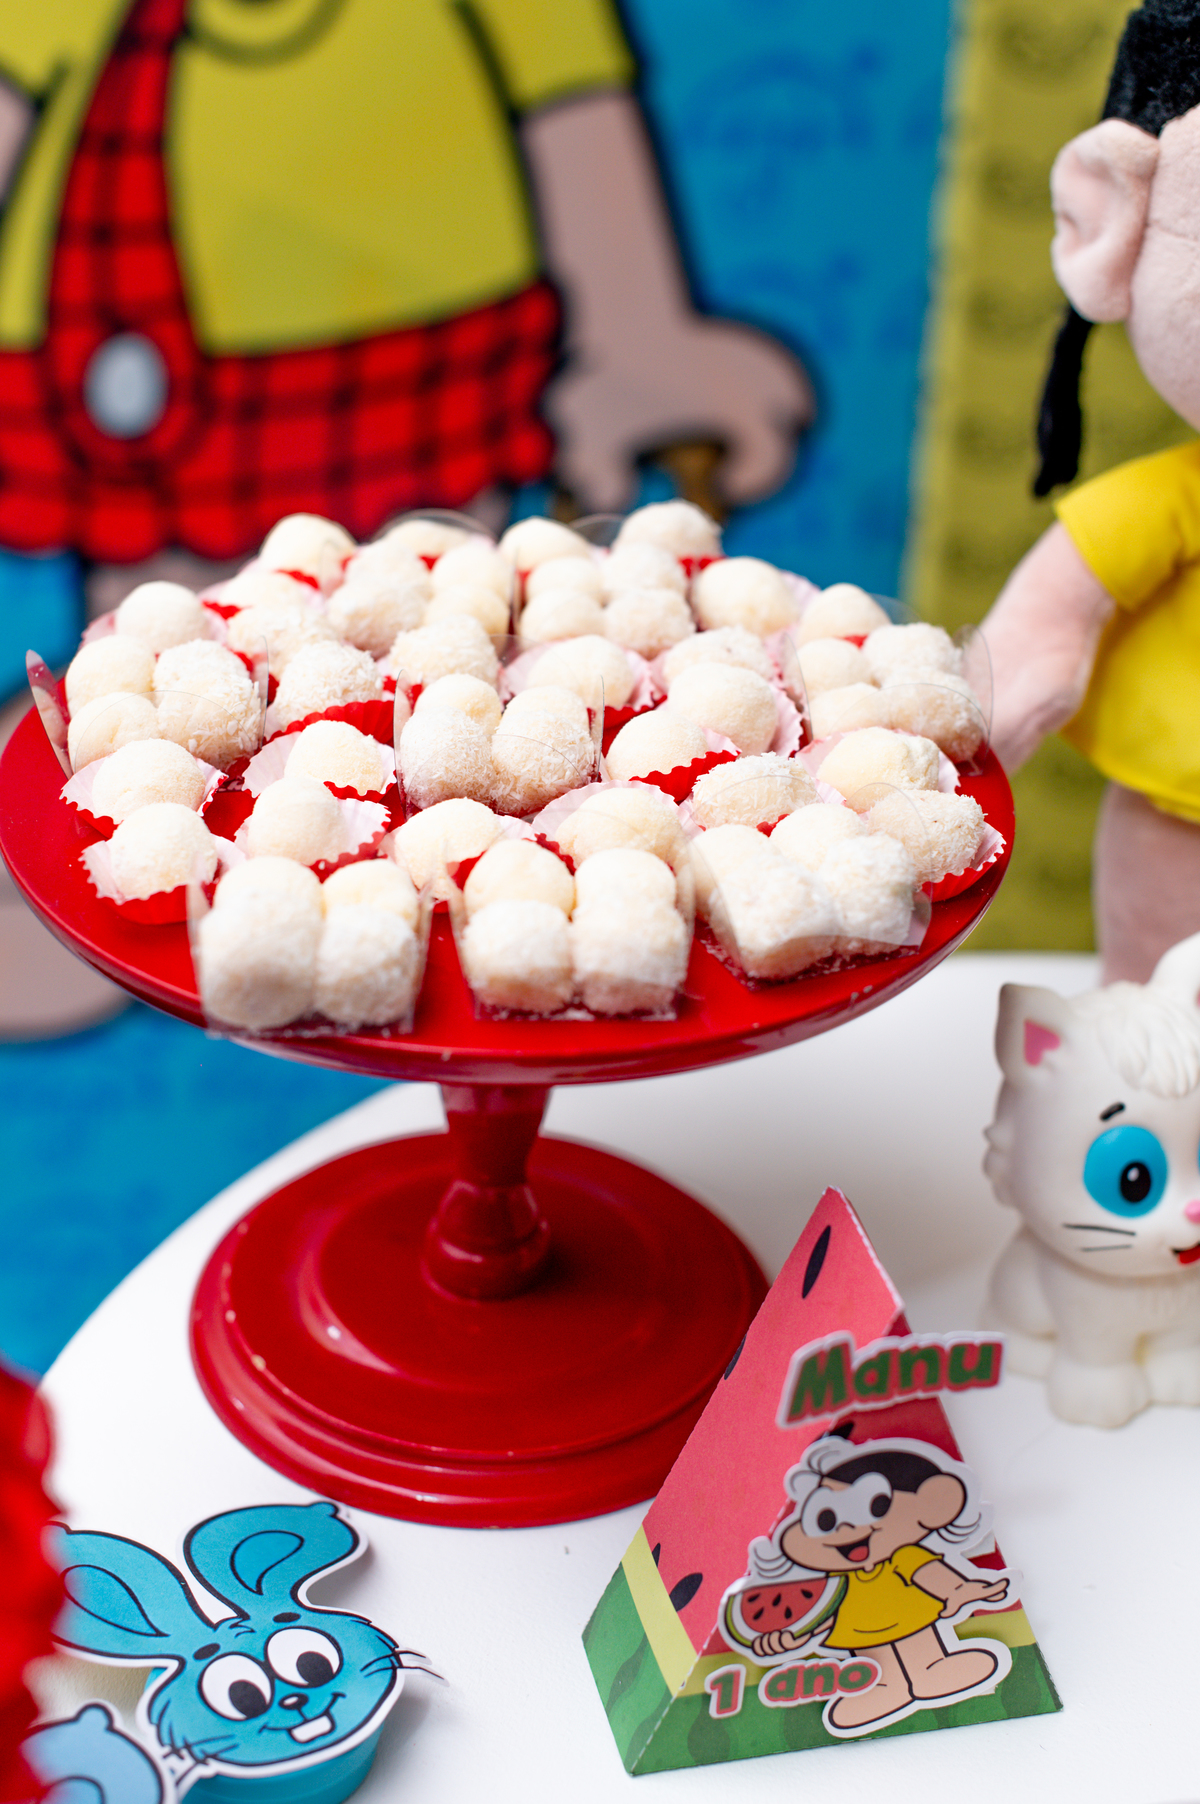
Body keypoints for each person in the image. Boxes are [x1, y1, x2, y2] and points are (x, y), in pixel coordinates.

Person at [981, 0, 1200, 981]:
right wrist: (990, 708)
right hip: (1181, 821)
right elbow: (1046, 623)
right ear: (1111, 224)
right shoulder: (1173, 501)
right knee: (1156, 1016)